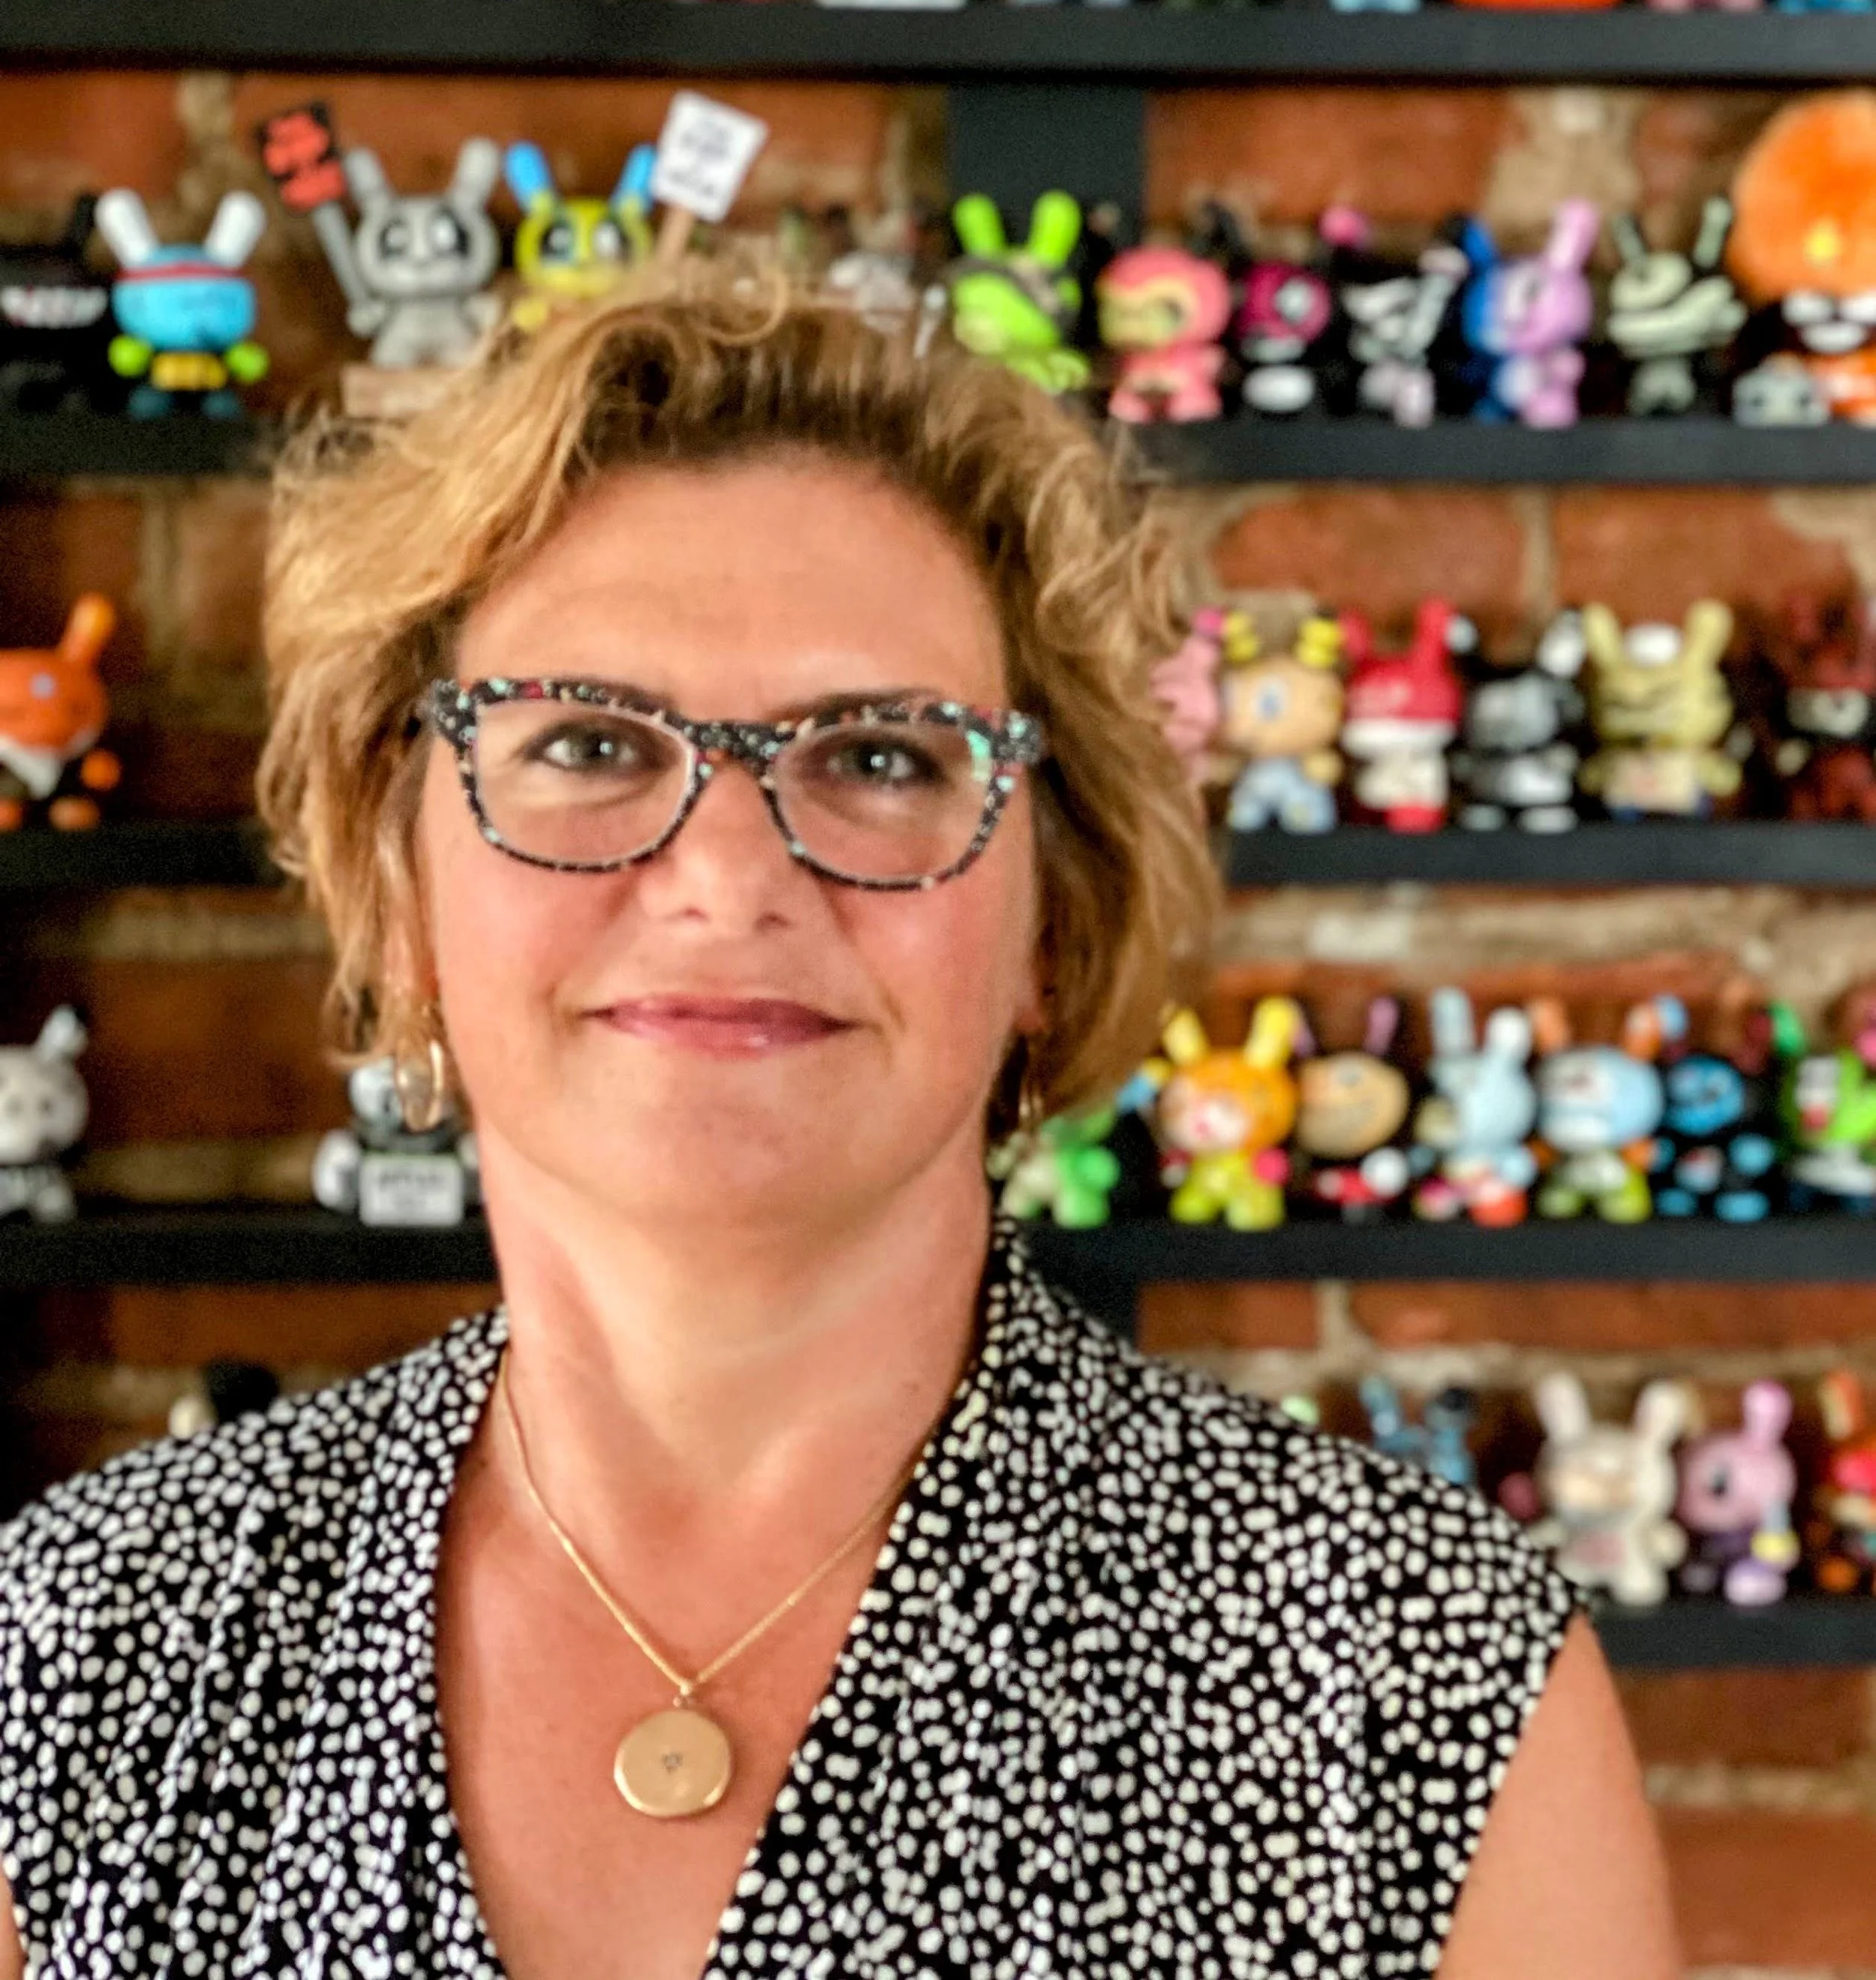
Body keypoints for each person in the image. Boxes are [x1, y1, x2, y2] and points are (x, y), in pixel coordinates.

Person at [0, 271, 1679, 1980]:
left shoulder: (1413, 1680)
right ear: (403, 888)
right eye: (584, 740)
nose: (726, 881)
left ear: (1049, 917)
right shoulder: (81, 1650)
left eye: (880, 759)